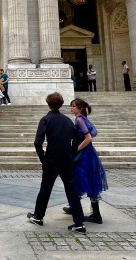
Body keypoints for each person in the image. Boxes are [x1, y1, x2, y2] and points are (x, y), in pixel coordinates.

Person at [27, 92, 86, 234]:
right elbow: (78, 137)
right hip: (66, 159)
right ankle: (79, 223)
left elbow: (37, 142)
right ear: (61, 104)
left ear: (48, 104)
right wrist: (72, 153)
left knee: (45, 188)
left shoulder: (46, 119)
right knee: (71, 190)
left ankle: (38, 216)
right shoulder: (67, 120)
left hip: (51, 159)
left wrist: (43, 157)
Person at [64, 98, 108, 224]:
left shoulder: (79, 119)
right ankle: (79, 208)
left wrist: (77, 149)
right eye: (71, 106)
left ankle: (93, 214)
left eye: (73, 106)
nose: (71, 108)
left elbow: (88, 138)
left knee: (81, 178)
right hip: (88, 154)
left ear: (80, 108)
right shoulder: (82, 118)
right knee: (87, 180)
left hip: (84, 155)